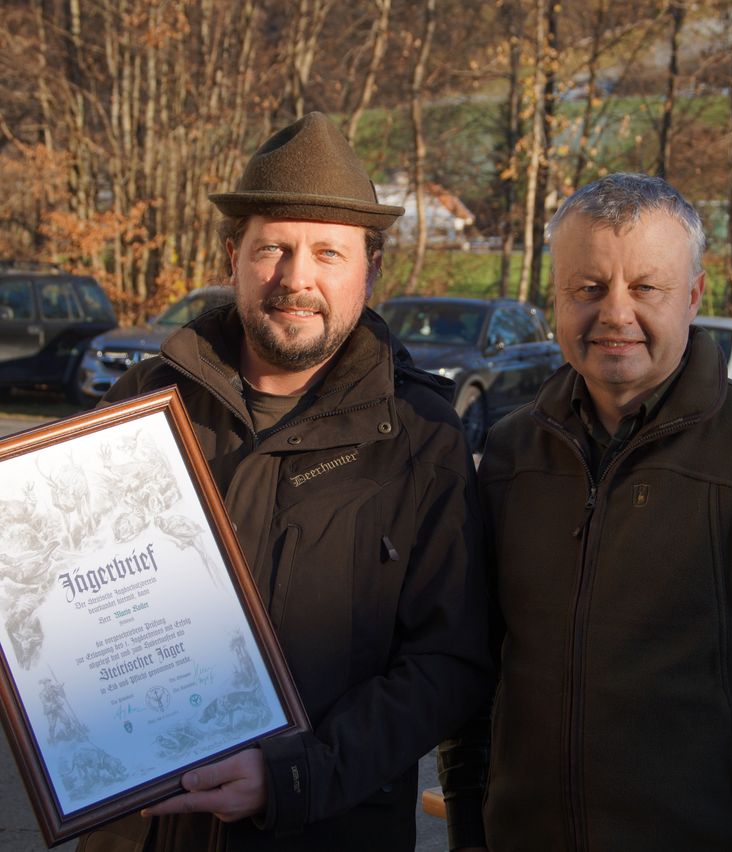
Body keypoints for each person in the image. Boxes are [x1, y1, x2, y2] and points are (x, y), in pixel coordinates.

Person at [77, 112, 492, 852]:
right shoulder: (140, 406)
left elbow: (448, 664)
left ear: (369, 269)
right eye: (274, 247)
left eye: (329, 252)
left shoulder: (421, 438)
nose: (297, 278)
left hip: (324, 830)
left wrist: (295, 775)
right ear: (234, 256)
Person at [441, 173, 732, 851]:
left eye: (646, 288)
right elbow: (472, 688)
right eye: (590, 288)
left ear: (692, 296)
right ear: (556, 298)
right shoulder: (510, 457)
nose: (616, 314)